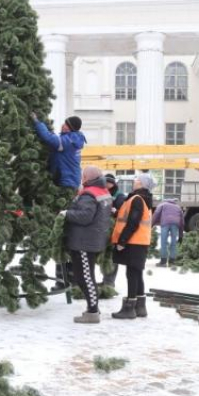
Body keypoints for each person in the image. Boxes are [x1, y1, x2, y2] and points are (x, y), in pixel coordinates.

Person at [31, 113, 87, 290]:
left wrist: (36, 121)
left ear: (70, 127)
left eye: (65, 124)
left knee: (61, 228)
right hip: (66, 182)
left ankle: (66, 278)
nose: (62, 125)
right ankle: (68, 278)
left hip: (65, 184)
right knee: (63, 228)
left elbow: (48, 139)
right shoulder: (72, 139)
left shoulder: (68, 141)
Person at [63, 166, 113, 324]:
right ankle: (93, 308)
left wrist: (66, 214)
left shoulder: (89, 193)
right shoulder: (102, 191)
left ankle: (92, 312)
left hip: (84, 241)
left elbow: (85, 217)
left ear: (88, 177)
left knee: (85, 277)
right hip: (94, 239)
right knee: (85, 275)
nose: (81, 177)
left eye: (83, 175)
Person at [110, 172, 156, 320]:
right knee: (137, 273)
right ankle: (140, 307)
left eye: (137, 179)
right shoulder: (145, 199)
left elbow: (133, 222)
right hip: (141, 241)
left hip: (133, 242)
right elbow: (131, 217)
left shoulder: (136, 199)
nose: (135, 180)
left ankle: (129, 308)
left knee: (131, 274)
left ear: (142, 184)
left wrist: (122, 241)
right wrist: (116, 212)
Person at [99, 173, 127, 287]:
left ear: (113, 183)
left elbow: (123, 213)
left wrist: (115, 212)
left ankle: (109, 282)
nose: (106, 184)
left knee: (111, 256)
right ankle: (105, 280)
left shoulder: (119, 196)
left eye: (109, 182)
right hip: (102, 229)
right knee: (104, 256)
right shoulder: (101, 192)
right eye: (105, 182)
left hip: (114, 230)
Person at [152, 198, 184, 267]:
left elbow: (156, 214)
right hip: (175, 224)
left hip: (165, 223)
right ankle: (172, 262)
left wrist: (151, 225)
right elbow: (182, 222)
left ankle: (163, 262)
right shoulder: (178, 207)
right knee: (173, 242)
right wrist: (181, 235)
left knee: (164, 242)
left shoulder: (162, 204)